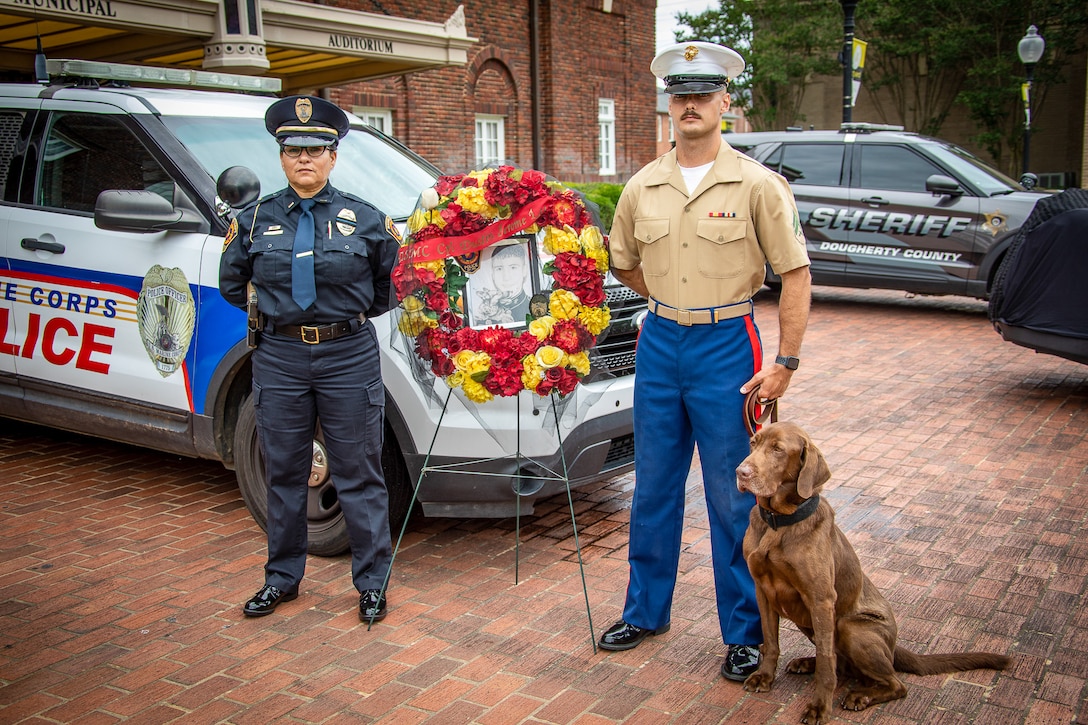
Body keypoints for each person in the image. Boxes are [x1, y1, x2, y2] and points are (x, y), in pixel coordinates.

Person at [600, 41, 812, 683]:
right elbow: (624, 264)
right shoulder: (643, 184)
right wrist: (673, 299)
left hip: (729, 347)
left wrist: (787, 361)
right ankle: (645, 611)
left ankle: (745, 633)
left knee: (732, 495)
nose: (689, 104)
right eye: (679, 94)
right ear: (669, 105)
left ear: (726, 103)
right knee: (653, 487)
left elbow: (797, 274)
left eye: (702, 94)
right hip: (662, 343)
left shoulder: (757, 185)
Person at [219, 95, 401, 622]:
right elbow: (234, 283)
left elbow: (390, 287)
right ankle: (282, 578)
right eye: (294, 149)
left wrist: (341, 317)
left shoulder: (366, 221)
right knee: (284, 470)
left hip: (347, 354)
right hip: (279, 355)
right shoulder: (253, 221)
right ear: (281, 157)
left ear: (333, 156)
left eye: (316, 148)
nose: (305, 158)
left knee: (359, 471)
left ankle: (371, 583)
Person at [473, 243, 532, 325]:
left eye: (513, 267)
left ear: (524, 270)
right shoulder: (480, 314)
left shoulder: (534, 308)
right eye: (499, 269)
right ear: (492, 274)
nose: (506, 277)